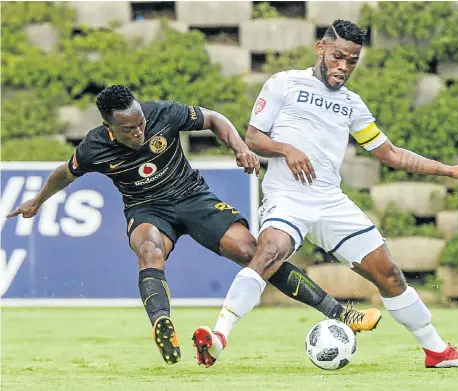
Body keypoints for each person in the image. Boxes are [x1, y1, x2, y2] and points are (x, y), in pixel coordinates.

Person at [7, 85, 381, 366]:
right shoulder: (93, 148)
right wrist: (38, 201)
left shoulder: (163, 114)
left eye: (140, 125)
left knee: (254, 252)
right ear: (108, 128)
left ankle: (339, 312)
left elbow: (215, 119)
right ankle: (163, 325)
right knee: (149, 250)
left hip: (193, 198)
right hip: (147, 208)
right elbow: (64, 173)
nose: (138, 133)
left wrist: (240, 147)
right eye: (128, 130)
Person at [193, 20, 458, 369]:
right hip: (288, 198)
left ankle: (437, 351)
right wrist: (287, 149)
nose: (343, 66)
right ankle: (218, 338)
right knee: (268, 253)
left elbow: (391, 154)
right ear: (321, 49)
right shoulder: (284, 83)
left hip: (330, 201)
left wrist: (449, 170)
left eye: (352, 61)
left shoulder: (352, 104)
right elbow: (254, 138)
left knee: (391, 274)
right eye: (338, 56)